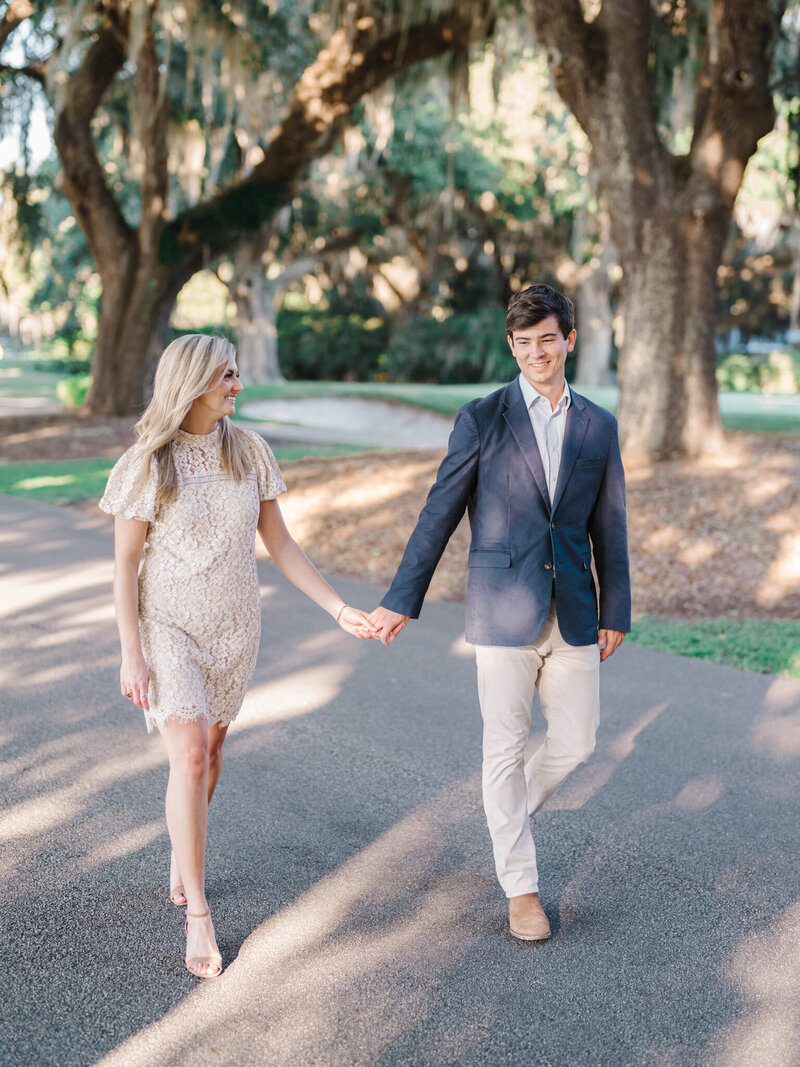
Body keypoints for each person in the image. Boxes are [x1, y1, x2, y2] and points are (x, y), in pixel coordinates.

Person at [100, 334, 376, 978]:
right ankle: (198, 910)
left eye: (236, 375)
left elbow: (280, 543)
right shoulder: (146, 462)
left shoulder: (249, 451)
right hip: (168, 625)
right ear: (194, 382)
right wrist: (131, 654)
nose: (237, 386)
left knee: (212, 753)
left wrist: (337, 608)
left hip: (233, 627)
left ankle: (183, 844)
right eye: (226, 375)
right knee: (190, 753)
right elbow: (123, 567)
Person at [369, 284, 630, 941]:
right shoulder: (481, 418)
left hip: (574, 606)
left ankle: (503, 810)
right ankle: (522, 889)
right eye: (523, 342)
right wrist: (404, 597)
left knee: (577, 740)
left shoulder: (598, 423)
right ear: (510, 346)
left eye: (547, 338)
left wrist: (616, 607)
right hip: (502, 608)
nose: (536, 351)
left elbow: (611, 522)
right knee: (504, 748)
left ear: (569, 338)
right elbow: (440, 511)